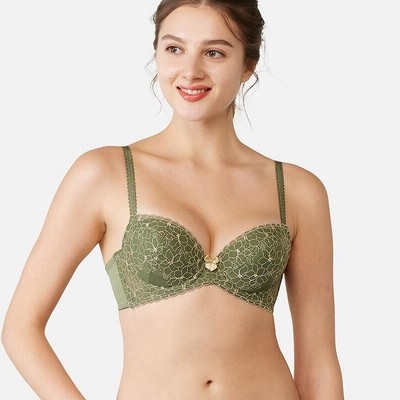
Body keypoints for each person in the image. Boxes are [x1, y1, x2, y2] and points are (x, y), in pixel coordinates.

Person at [2, 0, 344, 399]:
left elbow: (319, 363)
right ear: (157, 54)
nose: (190, 70)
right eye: (174, 48)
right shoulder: (105, 174)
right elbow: (21, 328)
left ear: (248, 64)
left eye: (214, 52)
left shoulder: (298, 191)